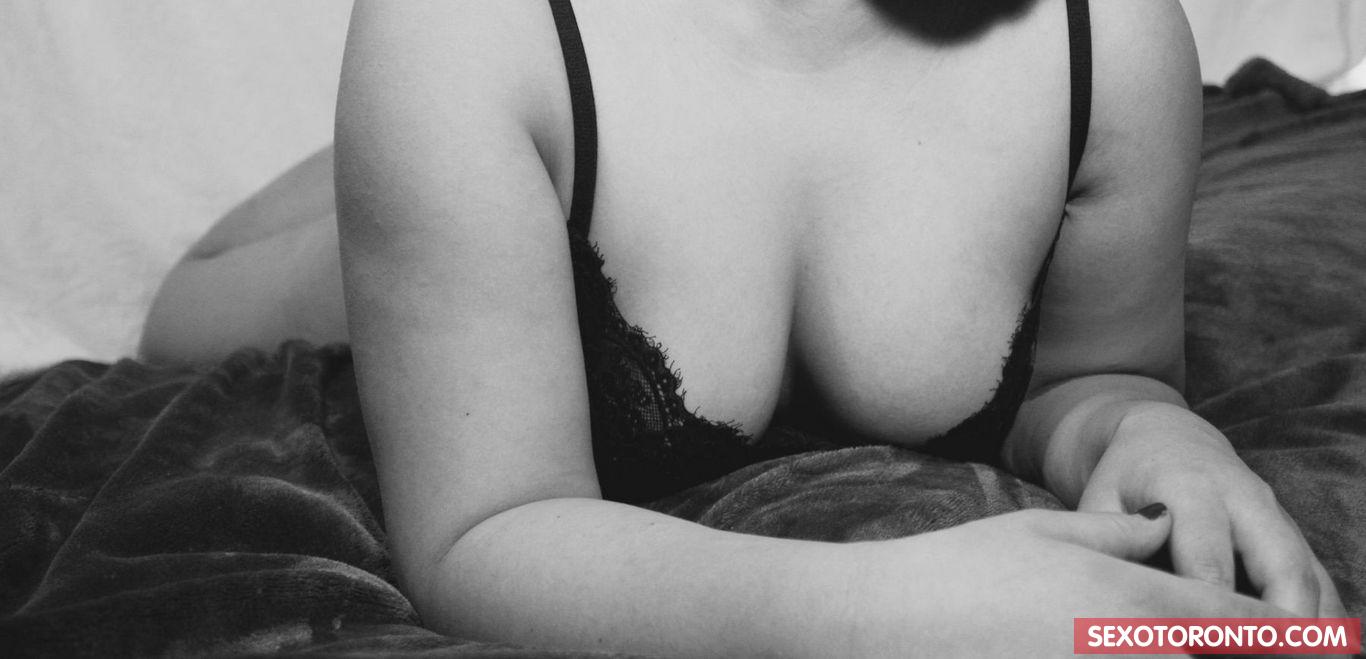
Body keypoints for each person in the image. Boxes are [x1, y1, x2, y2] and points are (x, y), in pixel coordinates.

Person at [140, 0, 1344, 655]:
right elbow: (478, 532)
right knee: (199, 306)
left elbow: (1089, 374)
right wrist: (881, 613)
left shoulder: (1111, 40)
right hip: (502, 154)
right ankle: (394, 182)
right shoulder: (463, 29)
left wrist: (1145, 430)